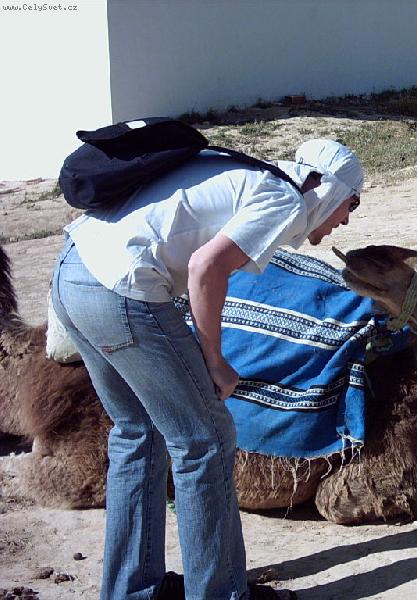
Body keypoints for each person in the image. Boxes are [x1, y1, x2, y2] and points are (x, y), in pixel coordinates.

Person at [50, 139, 363, 600]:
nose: (348, 219)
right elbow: (205, 267)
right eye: (352, 203)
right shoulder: (283, 197)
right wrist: (213, 359)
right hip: (121, 291)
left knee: (138, 432)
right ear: (330, 188)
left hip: (72, 274)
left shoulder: (243, 170)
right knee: (205, 440)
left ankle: (132, 591)